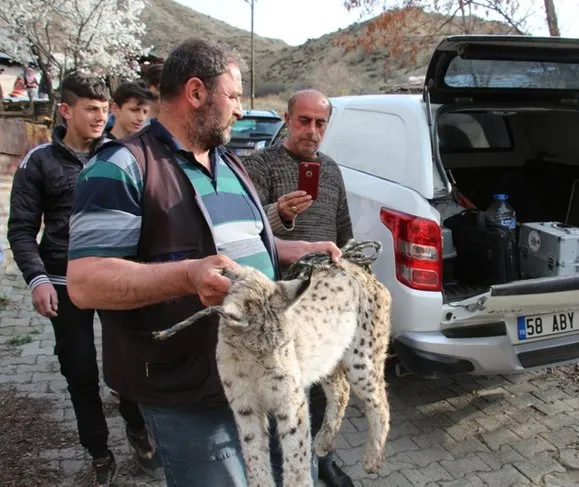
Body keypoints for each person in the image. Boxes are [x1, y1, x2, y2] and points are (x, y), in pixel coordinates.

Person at [65, 38, 342, 487]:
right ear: (196, 93)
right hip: (189, 386)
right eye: (233, 96)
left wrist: (297, 251)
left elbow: (248, 244)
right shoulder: (120, 167)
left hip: (268, 366)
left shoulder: (229, 162)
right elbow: (86, 281)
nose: (239, 109)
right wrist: (187, 275)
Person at [7, 71, 157, 487]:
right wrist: (36, 279)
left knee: (126, 364)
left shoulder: (120, 155)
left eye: (104, 109)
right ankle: (98, 451)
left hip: (114, 279)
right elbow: (21, 228)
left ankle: (137, 427)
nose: (99, 117)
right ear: (66, 110)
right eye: (90, 109)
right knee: (80, 372)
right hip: (61, 283)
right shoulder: (38, 162)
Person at [244, 89, 355, 487]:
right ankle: (285, 466)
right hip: (279, 301)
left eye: (320, 122)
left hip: (322, 302)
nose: (312, 130)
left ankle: (323, 457)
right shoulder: (259, 167)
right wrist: (279, 213)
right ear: (287, 119)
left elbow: (343, 234)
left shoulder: (332, 170)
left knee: (326, 384)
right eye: (304, 120)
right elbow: (243, 235)